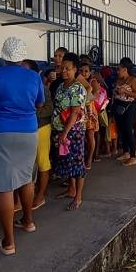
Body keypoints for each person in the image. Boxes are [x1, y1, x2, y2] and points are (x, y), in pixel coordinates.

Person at [0, 37, 44, 256]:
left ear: (3, 56)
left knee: (4, 187)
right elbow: (39, 103)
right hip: (29, 133)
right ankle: (28, 222)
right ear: (22, 55)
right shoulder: (33, 76)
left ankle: (9, 242)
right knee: (26, 178)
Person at [52, 53, 88, 210]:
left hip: (73, 131)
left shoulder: (77, 88)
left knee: (77, 163)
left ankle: (78, 197)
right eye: (62, 68)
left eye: (68, 68)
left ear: (75, 70)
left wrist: (65, 133)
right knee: (67, 161)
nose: (64, 71)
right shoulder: (61, 86)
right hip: (60, 129)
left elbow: (74, 113)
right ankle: (71, 189)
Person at [22, 60, 53, 210]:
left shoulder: (42, 87)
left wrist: (32, 113)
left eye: (25, 70)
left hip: (41, 128)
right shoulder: (21, 87)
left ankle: (40, 196)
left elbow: (49, 109)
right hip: (28, 129)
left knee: (42, 163)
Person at [113, 57, 136, 166]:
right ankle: (126, 152)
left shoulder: (134, 80)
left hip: (130, 107)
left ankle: (133, 156)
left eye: (119, 69)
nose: (117, 72)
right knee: (121, 130)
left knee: (129, 130)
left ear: (125, 69)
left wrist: (125, 91)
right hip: (119, 106)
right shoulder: (118, 80)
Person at [79, 61, 101, 170]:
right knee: (81, 137)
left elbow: (94, 97)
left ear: (90, 72)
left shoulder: (93, 82)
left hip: (90, 112)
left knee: (90, 136)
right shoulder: (77, 82)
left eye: (86, 71)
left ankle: (89, 159)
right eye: (81, 71)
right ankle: (81, 159)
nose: (83, 73)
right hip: (80, 111)